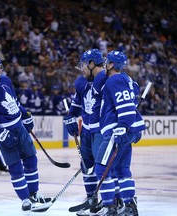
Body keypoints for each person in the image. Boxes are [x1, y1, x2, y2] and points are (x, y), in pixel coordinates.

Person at [0, 56, 51, 211]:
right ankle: (25, 200)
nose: (0, 70)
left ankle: (34, 193)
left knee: (31, 159)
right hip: (3, 130)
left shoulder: (6, 80)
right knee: (15, 166)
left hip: (19, 127)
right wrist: (0, 134)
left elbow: (14, 103)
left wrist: (25, 114)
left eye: (0, 67)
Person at [90, 50, 146, 216]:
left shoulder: (114, 80)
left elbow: (125, 107)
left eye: (108, 61)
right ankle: (129, 206)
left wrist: (123, 126)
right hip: (124, 130)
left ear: (112, 65)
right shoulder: (126, 80)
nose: (105, 64)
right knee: (122, 170)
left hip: (116, 131)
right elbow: (130, 99)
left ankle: (110, 207)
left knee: (101, 170)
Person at [63, 49, 106, 215]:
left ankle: (111, 201)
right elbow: (76, 105)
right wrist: (70, 118)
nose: (82, 69)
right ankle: (91, 199)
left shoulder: (105, 80)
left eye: (84, 65)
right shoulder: (81, 82)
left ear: (92, 64)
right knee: (87, 166)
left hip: (101, 131)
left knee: (102, 167)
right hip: (86, 131)